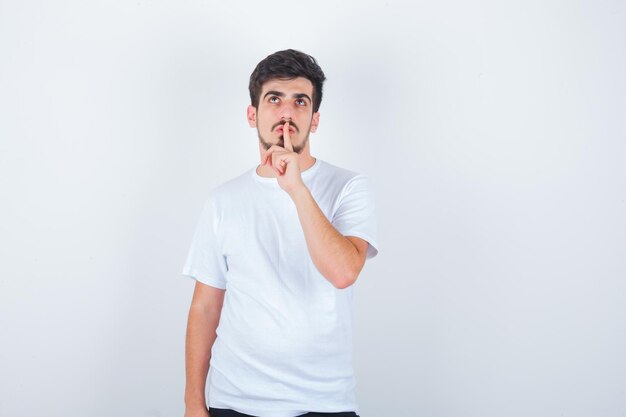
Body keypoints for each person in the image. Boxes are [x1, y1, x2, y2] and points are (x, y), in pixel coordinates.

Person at [182, 49, 379, 417]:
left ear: (315, 120)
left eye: (299, 102)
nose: (287, 113)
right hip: (234, 401)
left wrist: (296, 188)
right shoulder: (223, 200)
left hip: (323, 402)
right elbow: (206, 306)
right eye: (274, 99)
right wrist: (194, 403)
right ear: (252, 114)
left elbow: (343, 272)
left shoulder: (349, 187)